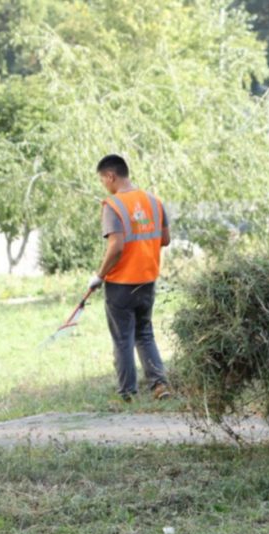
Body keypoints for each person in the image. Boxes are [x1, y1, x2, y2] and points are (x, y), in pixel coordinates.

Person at [88, 154, 172, 402]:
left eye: (103, 179)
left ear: (110, 176)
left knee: (123, 337)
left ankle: (127, 393)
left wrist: (98, 276)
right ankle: (159, 385)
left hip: (121, 284)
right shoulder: (153, 201)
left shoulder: (113, 205)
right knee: (144, 334)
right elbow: (165, 240)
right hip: (147, 279)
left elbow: (116, 246)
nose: (104, 184)